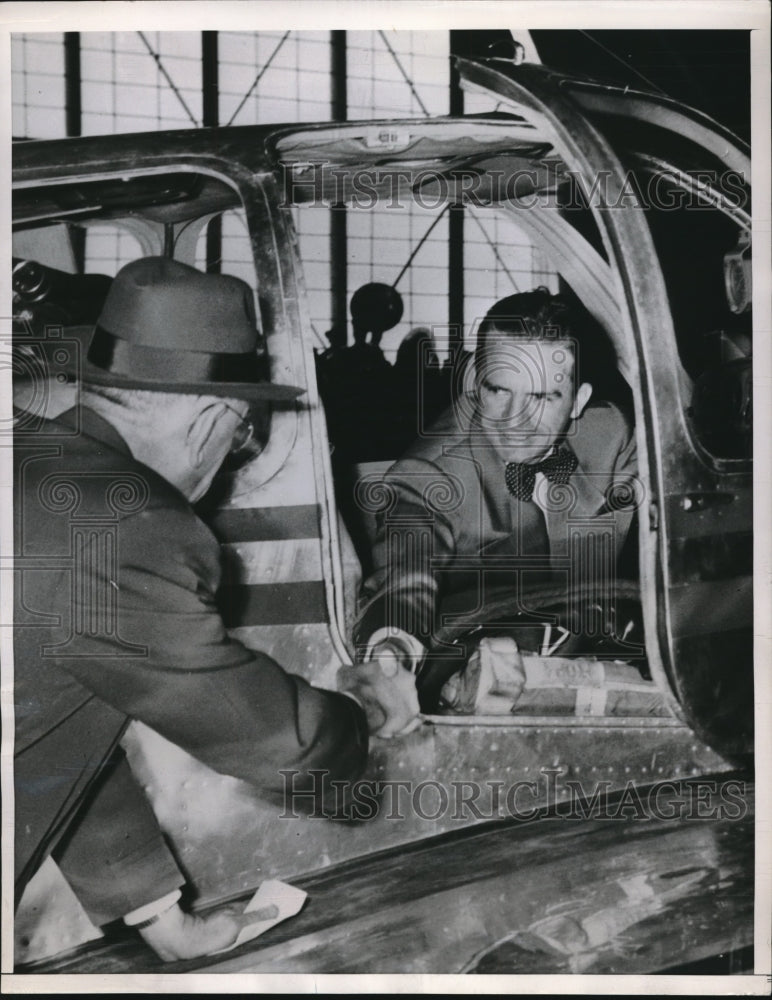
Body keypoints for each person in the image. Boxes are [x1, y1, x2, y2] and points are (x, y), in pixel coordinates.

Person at [13, 257, 419, 962]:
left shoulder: (22, 450)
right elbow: (279, 745)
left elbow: (56, 728)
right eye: (238, 441)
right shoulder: (132, 525)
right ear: (212, 419)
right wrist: (364, 713)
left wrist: (163, 919)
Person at [353, 288, 639, 695]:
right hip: (470, 683)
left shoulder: (610, 434)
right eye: (498, 390)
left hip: (597, 667)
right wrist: (392, 650)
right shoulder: (431, 473)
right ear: (474, 380)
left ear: (578, 401)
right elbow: (406, 575)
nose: (514, 420)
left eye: (541, 397)